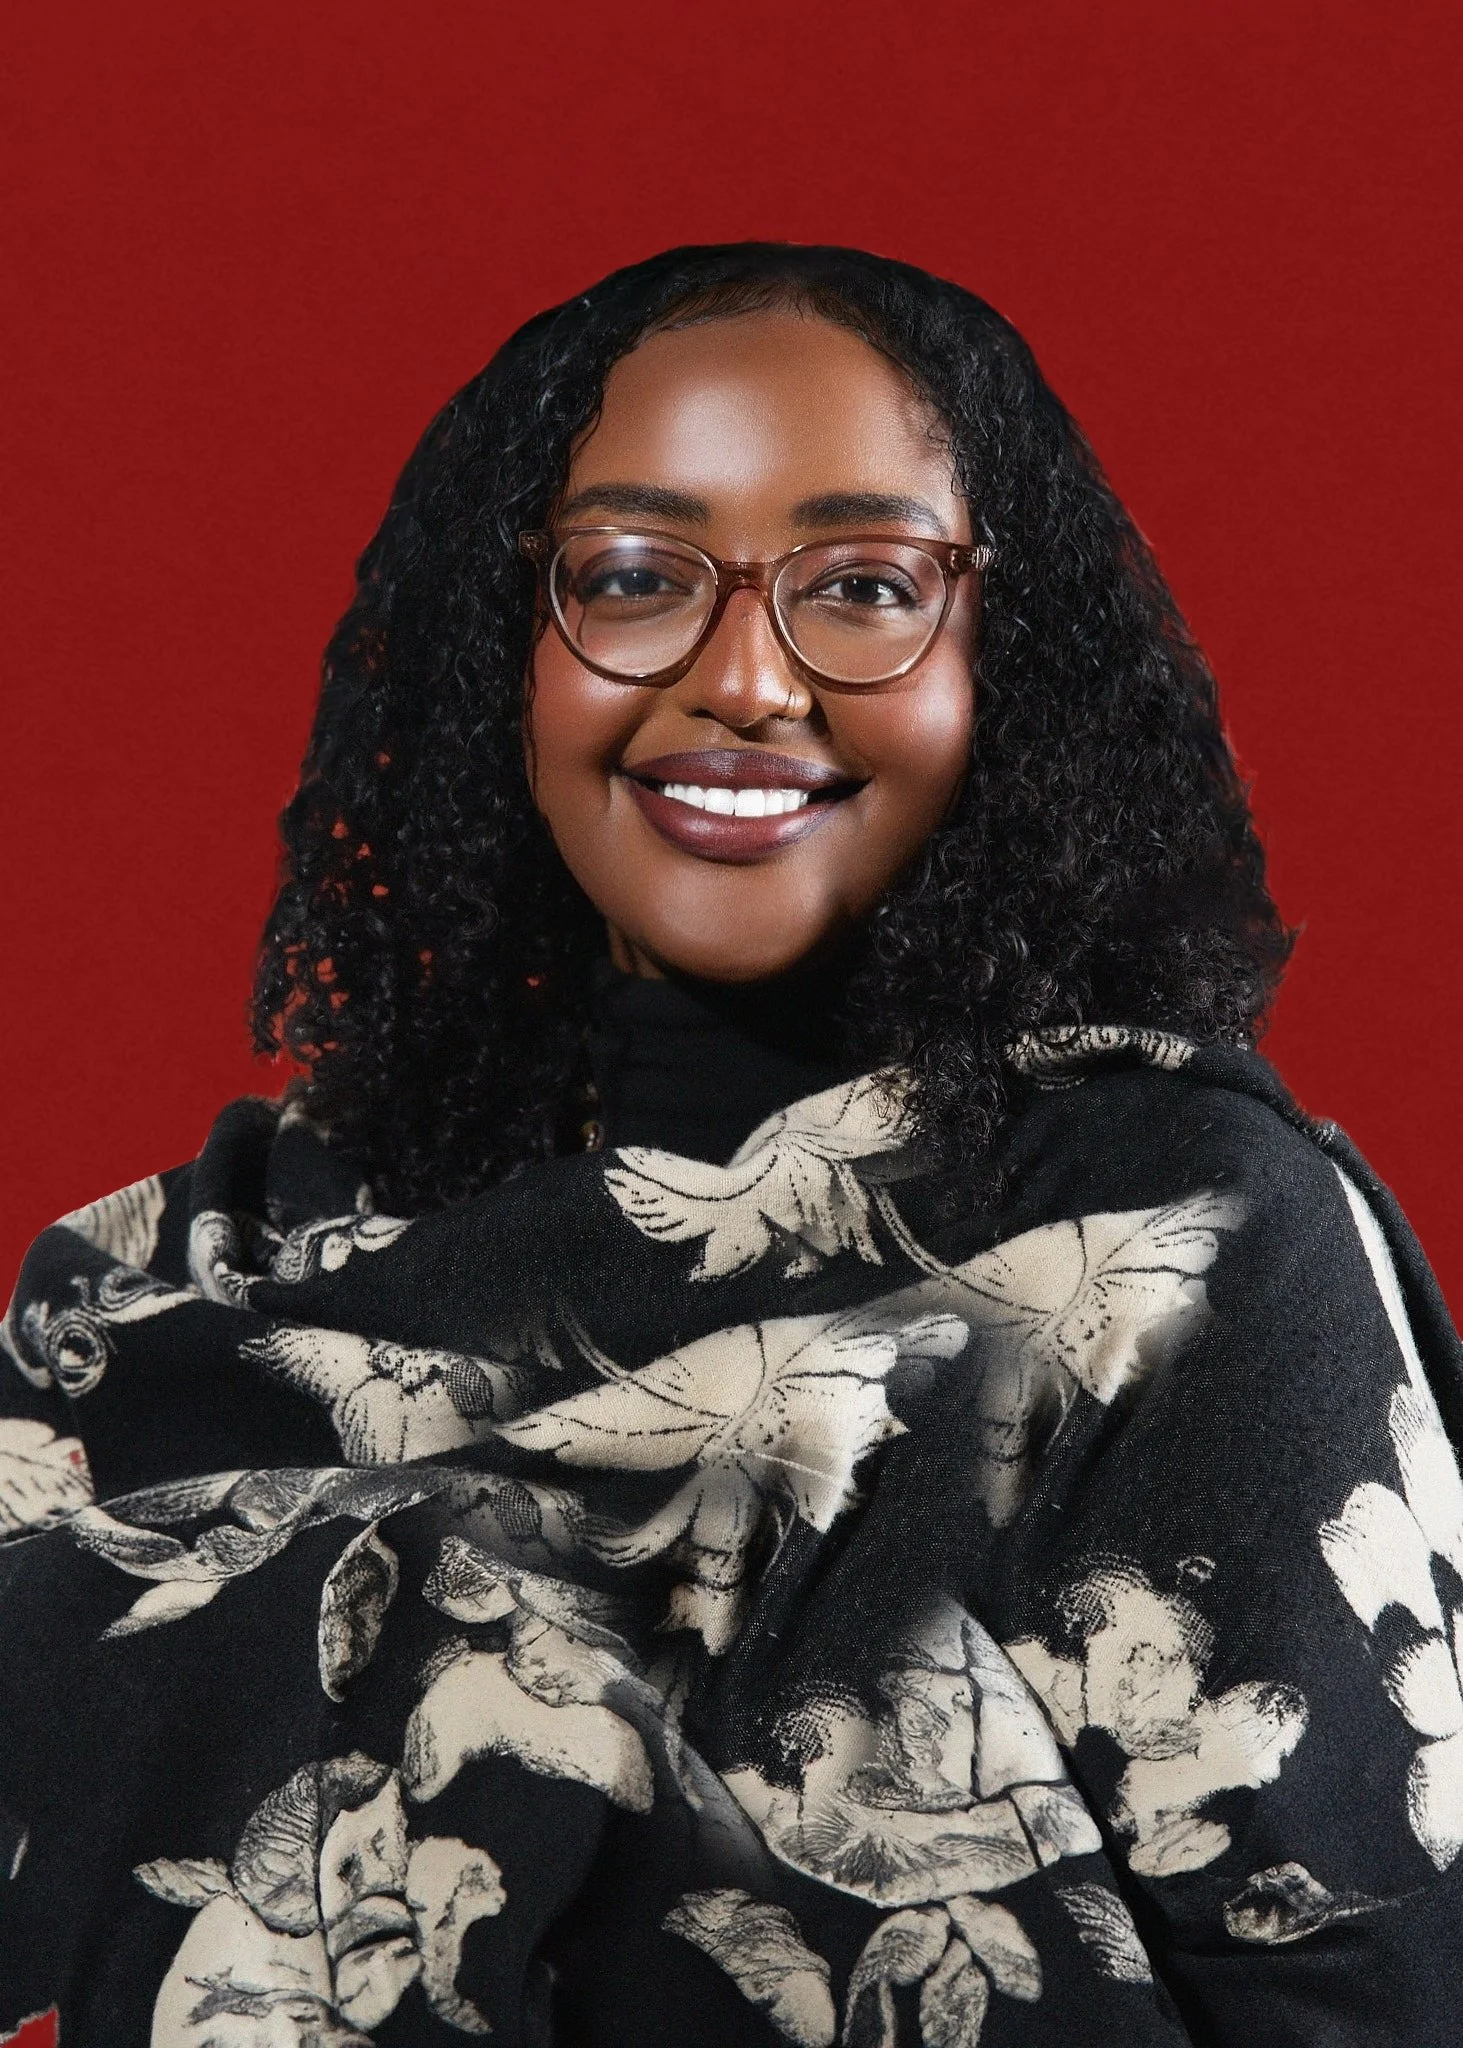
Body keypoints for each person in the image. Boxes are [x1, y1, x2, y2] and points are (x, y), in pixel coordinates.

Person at [1, 242, 1459, 2047]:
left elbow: (1365, 1982)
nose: (747, 680)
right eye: (631, 577)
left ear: (1001, 655)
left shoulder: (1172, 1244)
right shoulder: (198, 1273)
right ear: (505, 652)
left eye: (862, 585)